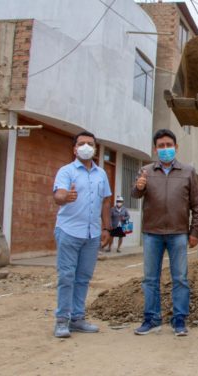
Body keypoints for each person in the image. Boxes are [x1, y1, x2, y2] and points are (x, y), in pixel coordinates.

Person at [132, 129, 198, 336]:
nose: (165, 149)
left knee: (180, 278)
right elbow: (135, 194)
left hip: (178, 233)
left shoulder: (188, 171)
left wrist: (195, 232)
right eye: (161, 146)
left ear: (176, 147)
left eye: (168, 145)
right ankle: (151, 318)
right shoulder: (146, 170)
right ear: (155, 149)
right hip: (152, 233)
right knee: (150, 279)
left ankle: (179, 319)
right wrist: (138, 186)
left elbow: (197, 205)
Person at [52, 131, 112, 338]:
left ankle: (77, 318)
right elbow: (58, 195)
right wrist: (65, 196)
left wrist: (106, 228)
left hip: (92, 234)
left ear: (95, 149)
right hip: (68, 231)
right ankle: (62, 320)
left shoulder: (101, 174)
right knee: (67, 276)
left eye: (90, 144)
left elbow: (105, 201)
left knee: (83, 277)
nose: (86, 146)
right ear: (75, 148)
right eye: (82, 143)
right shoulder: (66, 171)